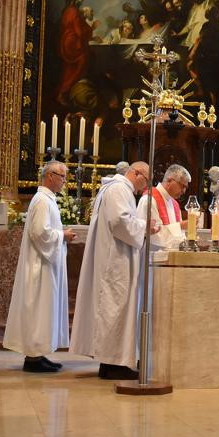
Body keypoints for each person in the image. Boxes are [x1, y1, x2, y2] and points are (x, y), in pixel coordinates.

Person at [70, 161, 157, 380]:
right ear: (136, 173)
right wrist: (144, 226)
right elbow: (120, 222)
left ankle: (110, 362)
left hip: (115, 256)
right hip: (116, 260)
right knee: (115, 309)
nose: (145, 187)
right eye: (146, 181)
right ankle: (113, 364)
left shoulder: (114, 188)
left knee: (114, 309)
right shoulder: (119, 189)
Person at [3, 160, 76, 373]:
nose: (64, 181)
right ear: (50, 176)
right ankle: (33, 359)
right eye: (62, 176)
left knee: (43, 310)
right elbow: (39, 232)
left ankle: (38, 355)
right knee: (38, 310)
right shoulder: (43, 201)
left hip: (45, 263)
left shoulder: (46, 199)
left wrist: (61, 235)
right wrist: (63, 235)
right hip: (40, 265)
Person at [137, 164, 190, 250]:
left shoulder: (175, 204)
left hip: (172, 255)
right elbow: (153, 235)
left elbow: (180, 235)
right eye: (182, 186)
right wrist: (180, 226)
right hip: (152, 255)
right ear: (169, 181)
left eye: (186, 187)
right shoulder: (149, 200)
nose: (184, 191)